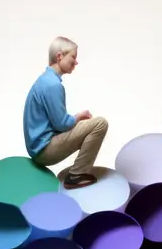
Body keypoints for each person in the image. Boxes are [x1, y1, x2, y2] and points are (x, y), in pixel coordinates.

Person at [23, 37, 108, 190]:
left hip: (38, 146)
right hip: (44, 150)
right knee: (100, 123)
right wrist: (77, 117)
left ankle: (77, 173)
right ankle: (76, 175)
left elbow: (56, 121)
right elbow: (62, 124)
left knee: (84, 124)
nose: (76, 62)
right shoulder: (52, 85)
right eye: (73, 57)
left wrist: (78, 119)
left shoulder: (44, 80)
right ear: (59, 56)